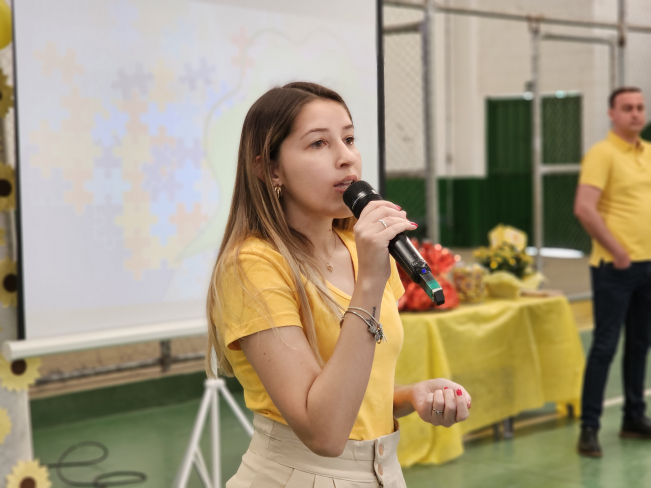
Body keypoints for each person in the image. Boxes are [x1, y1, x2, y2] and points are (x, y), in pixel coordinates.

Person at [206, 82, 471, 486]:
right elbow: (324, 432)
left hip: (383, 471)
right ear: (270, 169)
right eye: (318, 143)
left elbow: (355, 391)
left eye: (349, 139)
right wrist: (370, 281)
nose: (346, 157)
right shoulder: (252, 266)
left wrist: (411, 395)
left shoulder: (358, 248)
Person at [574, 87, 651, 458]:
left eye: (640, 107)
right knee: (605, 346)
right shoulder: (602, 154)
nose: (635, 113)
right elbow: (584, 208)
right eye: (627, 108)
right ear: (612, 114)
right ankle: (589, 428)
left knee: (640, 344)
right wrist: (619, 252)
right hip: (615, 268)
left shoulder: (648, 152)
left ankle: (634, 417)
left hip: (648, 265)